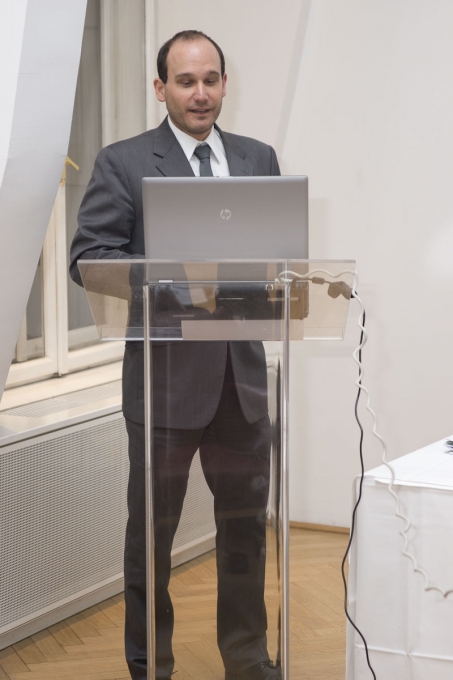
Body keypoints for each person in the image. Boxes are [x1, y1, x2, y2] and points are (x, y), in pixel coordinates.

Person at [70, 30, 281, 680]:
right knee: (152, 542)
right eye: (186, 81)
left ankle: (247, 662)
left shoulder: (257, 158)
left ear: (225, 83)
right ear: (160, 88)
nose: (200, 93)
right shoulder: (124, 162)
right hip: (163, 389)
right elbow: (89, 260)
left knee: (245, 532)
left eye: (210, 79)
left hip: (242, 387)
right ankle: (151, 669)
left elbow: (275, 257)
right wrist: (181, 277)